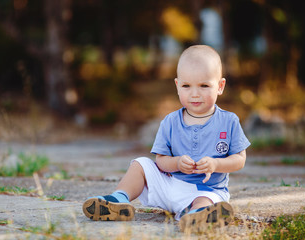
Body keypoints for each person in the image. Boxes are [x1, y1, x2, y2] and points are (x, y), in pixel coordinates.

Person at [82, 45, 250, 232]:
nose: (194, 93)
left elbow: (239, 160)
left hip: (206, 190)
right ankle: (119, 199)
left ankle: (196, 215)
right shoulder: (170, 121)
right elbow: (161, 161)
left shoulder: (229, 121)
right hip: (169, 186)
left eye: (204, 85)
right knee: (140, 163)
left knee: (209, 201)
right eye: (187, 86)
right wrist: (177, 163)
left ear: (220, 86)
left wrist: (216, 165)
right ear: (177, 86)